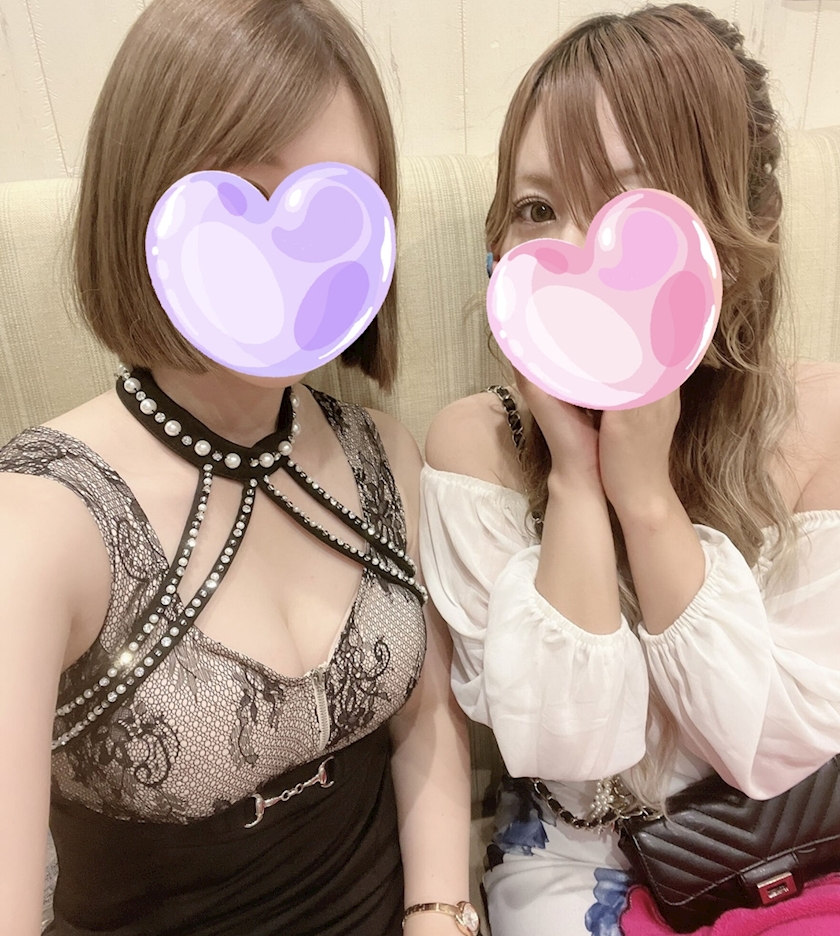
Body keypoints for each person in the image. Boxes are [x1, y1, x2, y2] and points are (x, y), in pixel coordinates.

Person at [0, 1, 473, 934]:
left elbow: (427, 722)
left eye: (336, 207)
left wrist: (439, 912)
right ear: (143, 198)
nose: (293, 253)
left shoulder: (386, 453)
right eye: (248, 195)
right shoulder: (41, 522)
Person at [421, 4, 840, 934]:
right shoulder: (475, 447)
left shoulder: (822, 422)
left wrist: (647, 501)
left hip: (794, 848)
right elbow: (564, 744)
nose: (576, 256)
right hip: (578, 864)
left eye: (629, 208)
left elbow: (772, 752)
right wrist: (577, 478)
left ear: (740, 231)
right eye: (537, 210)